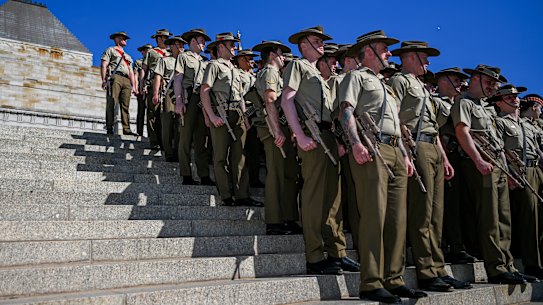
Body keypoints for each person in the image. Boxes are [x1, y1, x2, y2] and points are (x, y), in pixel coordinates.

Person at [338, 30, 425, 303]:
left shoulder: (386, 86)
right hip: (371, 148)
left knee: (397, 221)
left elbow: (396, 126)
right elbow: (346, 110)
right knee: (374, 216)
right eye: (384, 49)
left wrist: (405, 156)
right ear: (369, 52)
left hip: (395, 150)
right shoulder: (356, 77)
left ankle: (394, 279)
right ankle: (372, 281)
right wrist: (355, 144)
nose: (389, 53)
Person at [389, 41, 470, 291]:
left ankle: (438, 267)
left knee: (436, 215)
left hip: (432, 146)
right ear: (410, 57)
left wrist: (444, 157)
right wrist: (406, 150)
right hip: (416, 145)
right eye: (424, 57)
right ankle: (426, 270)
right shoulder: (399, 81)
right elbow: (396, 116)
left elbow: (432, 125)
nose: (428, 62)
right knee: (422, 213)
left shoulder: (422, 87)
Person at [281, 26, 359, 276]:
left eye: (322, 41)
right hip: (311, 136)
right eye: (316, 41)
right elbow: (287, 100)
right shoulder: (298, 66)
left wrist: (338, 140)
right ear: (303, 45)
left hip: (328, 136)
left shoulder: (320, 76)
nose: (322, 44)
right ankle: (314, 255)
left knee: (333, 198)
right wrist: (299, 134)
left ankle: (337, 252)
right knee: (314, 197)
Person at [451, 64, 534, 284]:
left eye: (495, 84)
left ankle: (508, 265)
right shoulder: (465, 102)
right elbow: (462, 131)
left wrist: (507, 171)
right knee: (489, 217)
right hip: (480, 163)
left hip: (498, 164)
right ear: (475, 79)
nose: (493, 87)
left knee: (503, 217)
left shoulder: (485, 108)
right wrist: (478, 160)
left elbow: (498, 142)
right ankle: (496, 267)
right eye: (489, 82)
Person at [200, 32, 261, 207]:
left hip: (237, 114)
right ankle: (226, 195)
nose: (234, 47)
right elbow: (204, 91)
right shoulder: (214, 66)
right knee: (220, 157)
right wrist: (211, 116)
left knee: (240, 156)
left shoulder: (234, 69)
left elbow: (240, 96)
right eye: (231, 44)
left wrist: (245, 117)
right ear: (221, 47)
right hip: (221, 112)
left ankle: (242, 194)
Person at [493, 86, 543, 280]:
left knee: (539, 218)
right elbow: (502, 149)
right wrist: (510, 172)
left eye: (516, 97)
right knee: (529, 218)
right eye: (509, 97)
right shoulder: (500, 122)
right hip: (519, 170)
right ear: (498, 102)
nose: (515, 100)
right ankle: (532, 263)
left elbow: (537, 149)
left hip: (536, 168)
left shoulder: (527, 125)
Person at [252, 40, 300, 235]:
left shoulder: (276, 73)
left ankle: (288, 218)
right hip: (273, 129)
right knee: (276, 174)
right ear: (272, 55)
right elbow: (270, 99)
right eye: (281, 54)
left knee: (288, 174)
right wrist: (277, 130)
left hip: (281, 127)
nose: (283, 58)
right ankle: (274, 221)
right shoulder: (270, 71)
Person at [432, 67, 478, 264]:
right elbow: (436, 131)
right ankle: (447, 247)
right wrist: (444, 158)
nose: (459, 84)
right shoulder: (435, 103)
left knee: (460, 204)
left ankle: (459, 246)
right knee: (446, 205)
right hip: (445, 155)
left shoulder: (458, 104)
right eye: (455, 80)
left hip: (458, 157)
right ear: (442, 82)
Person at [174, 28, 214, 185]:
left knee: (201, 139)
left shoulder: (205, 63)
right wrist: (178, 101)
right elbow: (178, 78)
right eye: (201, 40)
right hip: (188, 97)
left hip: (201, 101)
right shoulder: (184, 57)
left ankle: (204, 175)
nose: (204, 43)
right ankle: (186, 174)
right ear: (192, 42)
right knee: (185, 138)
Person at [233, 49, 265, 188]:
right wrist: (245, 116)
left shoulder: (254, 76)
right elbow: (239, 96)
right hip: (243, 112)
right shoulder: (237, 74)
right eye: (249, 58)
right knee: (243, 148)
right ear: (241, 60)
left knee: (254, 149)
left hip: (256, 114)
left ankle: (254, 178)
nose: (252, 61)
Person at [152, 35, 186, 162]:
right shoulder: (165, 60)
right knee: (167, 123)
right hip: (170, 92)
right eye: (179, 44)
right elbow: (158, 77)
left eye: (183, 44)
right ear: (172, 46)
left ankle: (178, 151)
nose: (182, 47)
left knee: (179, 125)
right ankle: (169, 152)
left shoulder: (186, 61)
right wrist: (156, 93)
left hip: (183, 95)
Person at [100, 31, 137, 135]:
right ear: (116, 39)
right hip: (115, 77)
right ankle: (109, 127)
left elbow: (131, 71)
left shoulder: (128, 56)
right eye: (122, 38)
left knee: (125, 105)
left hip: (126, 80)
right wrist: (104, 80)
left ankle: (127, 129)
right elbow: (104, 64)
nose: (125, 40)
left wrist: (134, 86)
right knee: (112, 101)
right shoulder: (110, 50)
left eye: (125, 38)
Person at [142, 29, 172, 151]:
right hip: (154, 82)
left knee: (166, 115)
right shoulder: (152, 52)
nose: (166, 39)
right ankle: (154, 141)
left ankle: (166, 141)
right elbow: (144, 68)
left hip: (169, 84)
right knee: (153, 113)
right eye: (164, 37)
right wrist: (141, 83)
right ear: (159, 38)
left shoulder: (171, 53)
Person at [134, 44, 152, 136]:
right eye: (147, 50)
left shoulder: (154, 61)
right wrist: (137, 88)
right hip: (142, 88)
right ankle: (139, 132)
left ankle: (151, 134)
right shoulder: (139, 62)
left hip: (151, 88)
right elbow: (136, 75)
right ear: (143, 52)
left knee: (151, 112)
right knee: (141, 111)